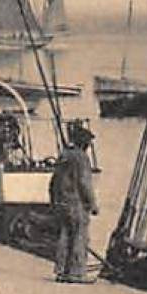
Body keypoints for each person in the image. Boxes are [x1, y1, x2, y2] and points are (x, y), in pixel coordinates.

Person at [49, 120, 99, 282]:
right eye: (88, 143)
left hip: (61, 202)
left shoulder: (64, 156)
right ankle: (76, 273)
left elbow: (53, 182)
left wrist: (53, 201)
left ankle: (61, 270)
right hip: (75, 204)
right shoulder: (81, 158)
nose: (89, 146)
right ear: (83, 143)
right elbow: (84, 183)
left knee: (64, 236)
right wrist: (92, 204)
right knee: (79, 236)